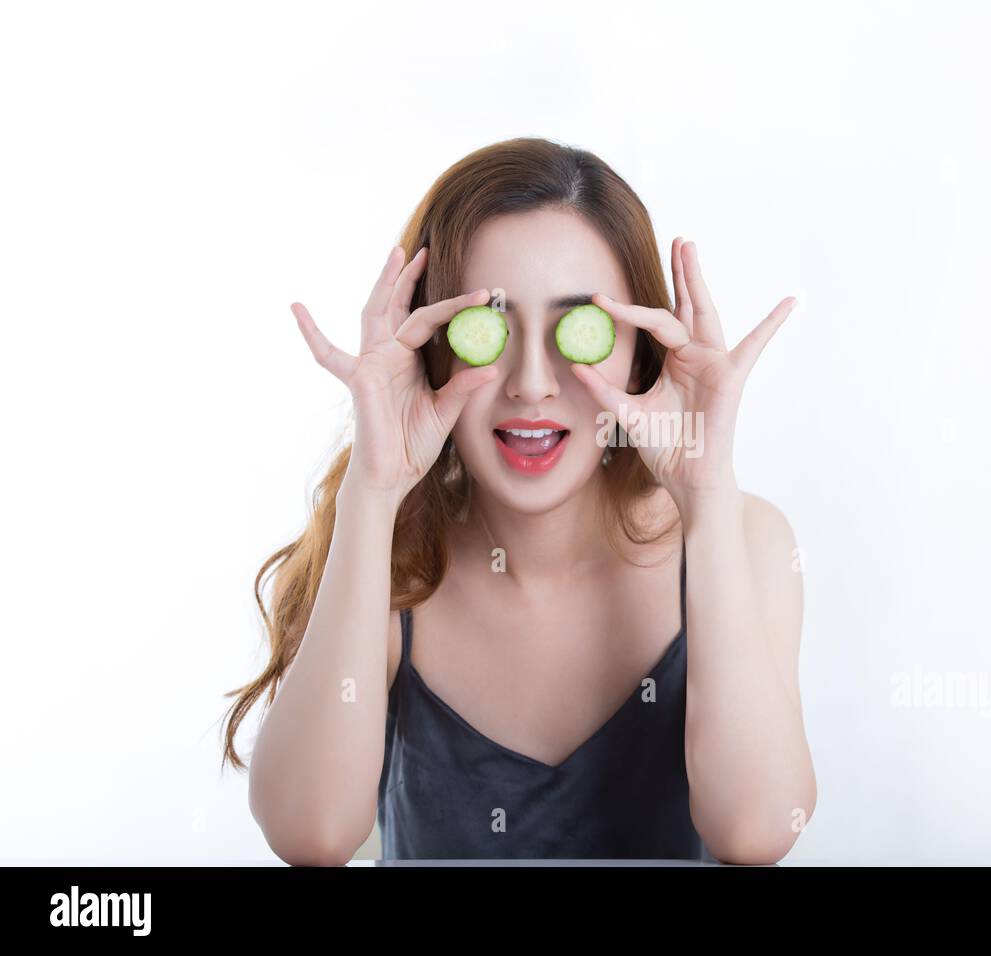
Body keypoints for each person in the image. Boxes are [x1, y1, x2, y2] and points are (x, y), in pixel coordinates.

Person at [222, 137, 816, 864]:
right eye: (491, 331)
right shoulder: (390, 555)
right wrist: (373, 494)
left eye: (579, 329)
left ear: (639, 350)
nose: (532, 383)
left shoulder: (745, 536)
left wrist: (707, 494)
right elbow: (306, 833)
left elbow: (756, 830)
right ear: (431, 345)